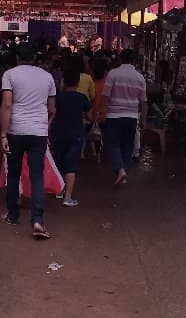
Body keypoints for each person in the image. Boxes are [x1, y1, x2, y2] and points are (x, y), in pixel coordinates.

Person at [0, 42, 56, 239]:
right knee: (37, 176)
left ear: (17, 57)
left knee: (13, 174)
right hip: (38, 133)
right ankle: (38, 220)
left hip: (16, 131)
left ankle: (13, 215)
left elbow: (7, 106)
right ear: (35, 58)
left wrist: (3, 133)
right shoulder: (47, 77)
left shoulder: (10, 75)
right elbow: (52, 110)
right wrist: (44, 128)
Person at [99, 48, 147, 186]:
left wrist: (102, 112)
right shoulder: (140, 78)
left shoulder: (113, 74)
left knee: (112, 144)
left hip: (114, 116)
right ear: (134, 61)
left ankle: (120, 170)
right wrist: (143, 119)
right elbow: (144, 102)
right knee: (127, 145)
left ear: (120, 59)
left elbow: (105, 96)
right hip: (132, 117)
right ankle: (123, 172)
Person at [51, 65, 91, 207]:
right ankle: (67, 197)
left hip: (59, 133)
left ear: (63, 82)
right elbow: (89, 116)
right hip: (76, 134)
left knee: (59, 162)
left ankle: (59, 190)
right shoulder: (82, 98)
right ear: (78, 83)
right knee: (71, 165)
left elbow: (52, 113)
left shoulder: (58, 98)